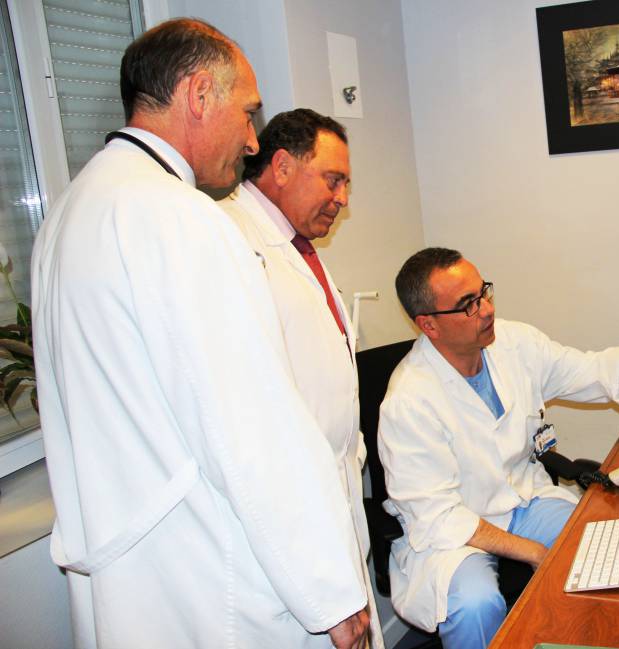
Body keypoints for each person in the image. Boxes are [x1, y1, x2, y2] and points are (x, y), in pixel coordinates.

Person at [32, 19, 368, 649]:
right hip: (209, 577)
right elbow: (248, 427)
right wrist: (330, 590)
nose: (249, 140)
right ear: (197, 95)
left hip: (133, 571)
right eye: (246, 113)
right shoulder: (179, 215)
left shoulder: (72, 210)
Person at [377, 247, 619, 649]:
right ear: (430, 325)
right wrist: (531, 551)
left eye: (484, 293)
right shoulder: (409, 400)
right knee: (475, 605)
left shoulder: (513, 342)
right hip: (456, 531)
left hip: (522, 499)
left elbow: (587, 371)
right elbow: (438, 517)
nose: (488, 310)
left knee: (600, 540)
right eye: (469, 305)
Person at [218, 109, 382, 648]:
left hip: (333, 489)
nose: (343, 199)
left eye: (346, 184)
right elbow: (256, 424)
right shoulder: (232, 242)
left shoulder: (295, 246)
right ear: (283, 166)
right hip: (294, 509)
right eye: (333, 180)